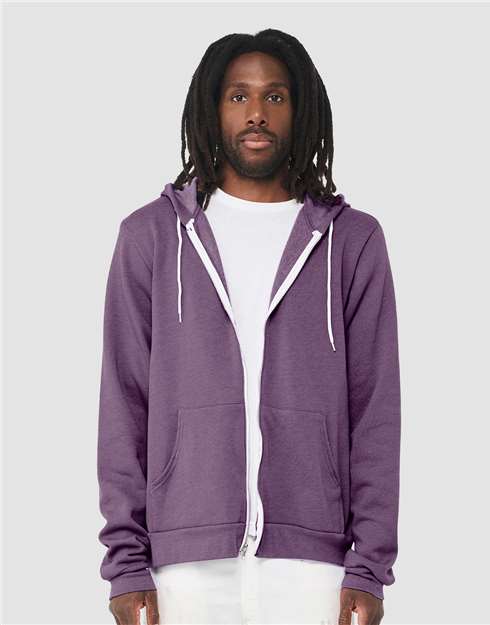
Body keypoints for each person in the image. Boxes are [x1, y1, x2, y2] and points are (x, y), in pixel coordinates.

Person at [97, 28, 401, 625]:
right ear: (212, 110)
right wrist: (126, 566)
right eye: (238, 96)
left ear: (301, 110)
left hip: (314, 569)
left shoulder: (353, 241)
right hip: (182, 567)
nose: (256, 113)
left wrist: (368, 567)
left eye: (275, 96)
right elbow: (124, 404)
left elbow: (375, 414)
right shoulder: (150, 236)